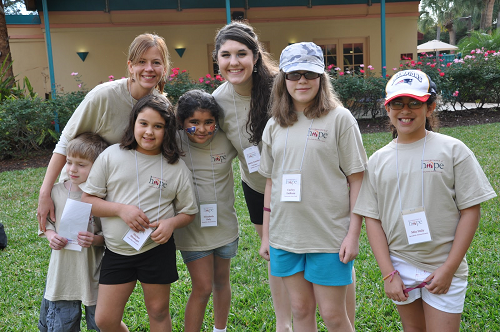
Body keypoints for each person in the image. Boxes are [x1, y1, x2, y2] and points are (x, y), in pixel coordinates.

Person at [353, 69, 497, 332]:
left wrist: (449, 268)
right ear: (387, 108)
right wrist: (389, 274)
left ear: (430, 107)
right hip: (400, 266)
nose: (405, 110)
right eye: (397, 103)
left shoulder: (453, 150)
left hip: (444, 265)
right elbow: (372, 220)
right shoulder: (377, 161)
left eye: (414, 103)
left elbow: (471, 211)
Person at [258, 42, 367, 331]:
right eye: (294, 74)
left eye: (310, 73)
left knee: (333, 315)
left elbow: (357, 179)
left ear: (321, 78)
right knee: (300, 310)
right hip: (286, 237)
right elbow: (271, 182)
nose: (302, 80)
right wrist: (267, 235)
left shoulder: (340, 119)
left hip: (328, 237)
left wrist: (353, 235)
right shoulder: (274, 125)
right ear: (283, 80)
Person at [80, 95, 198, 332]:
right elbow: (88, 201)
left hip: (156, 250)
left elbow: (189, 212)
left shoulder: (175, 167)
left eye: (158, 126)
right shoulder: (112, 156)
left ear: (167, 130)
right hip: (117, 251)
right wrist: (121, 210)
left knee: (158, 311)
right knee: (105, 319)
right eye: (143, 123)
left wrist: (172, 224)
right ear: (133, 123)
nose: (149, 132)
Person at [37, 33, 170, 233]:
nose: (149, 68)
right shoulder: (103, 96)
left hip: (121, 195)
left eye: (156, 62)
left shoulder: (161, 105)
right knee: (80, 253)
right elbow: (65, 141)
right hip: (81, 190)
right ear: (130, 66)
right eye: (142, 61)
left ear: (164, 68)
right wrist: (45, 193)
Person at [211, 21, 294, 331]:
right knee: (275, 255)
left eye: (242, 54)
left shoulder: (283, 87)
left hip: (299, 187)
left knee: (313, 250)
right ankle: (283, 324)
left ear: (256, 57)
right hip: (258, 188)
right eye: (226, 55)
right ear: (217, 60)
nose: (234, 62)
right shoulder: (217, 102)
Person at [174, 89, 238, 332]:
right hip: (192, 230)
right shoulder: (173, 142)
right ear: (182, 122)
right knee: (202, 287)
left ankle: (219, 330)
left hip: (225, 226)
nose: (201, 129)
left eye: (208, 122)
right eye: (194, 122)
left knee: (222, 281)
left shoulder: (226, 139)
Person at [38, 132, 109, 332]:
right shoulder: (56, 192)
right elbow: (47, 225)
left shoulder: (102, 197)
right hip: (63, 278)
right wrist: (52, 237)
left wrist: (94, 239)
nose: (72, 169)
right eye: (69, 162)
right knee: (62, 326)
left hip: (93, 275)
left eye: (81, 164)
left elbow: (109, 235)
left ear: (97, 167)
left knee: (101, 324)